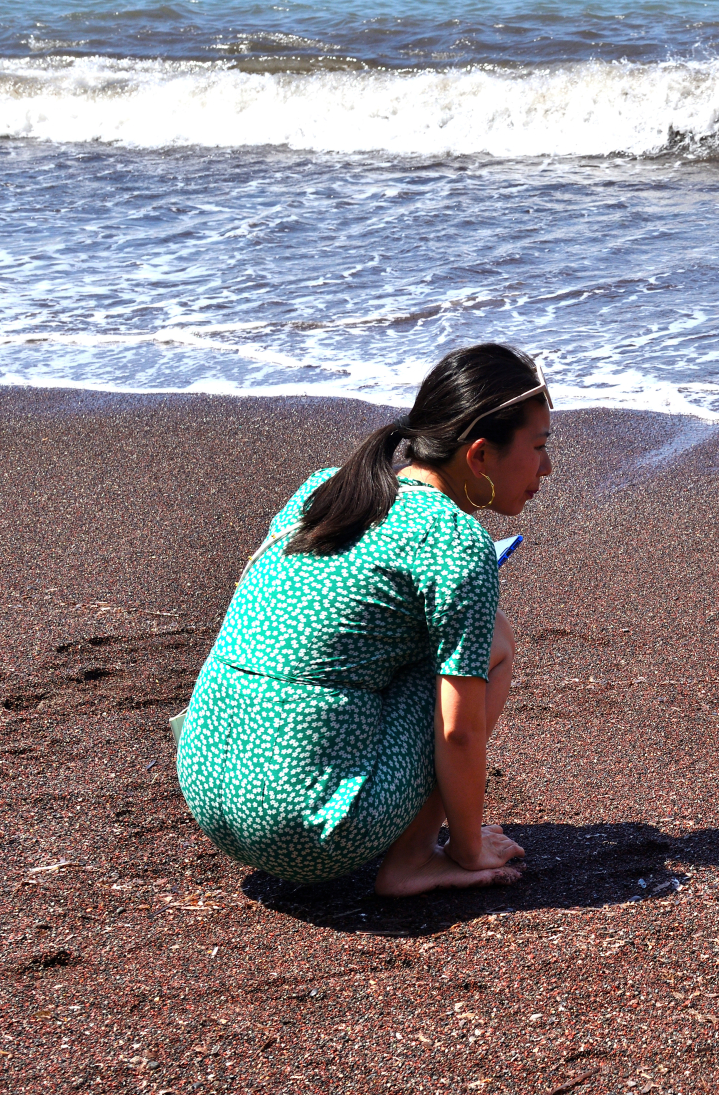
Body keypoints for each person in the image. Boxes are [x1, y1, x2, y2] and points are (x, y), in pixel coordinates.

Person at [176, 343, 552, 896]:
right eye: (540, 447)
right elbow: (458, 730)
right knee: (491, 643)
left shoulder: (331, 485)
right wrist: (470, 847)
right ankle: (417, 859)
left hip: (207, 784)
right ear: (478, 456)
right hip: (307, 830)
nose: (547, 466)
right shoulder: (456, 539)